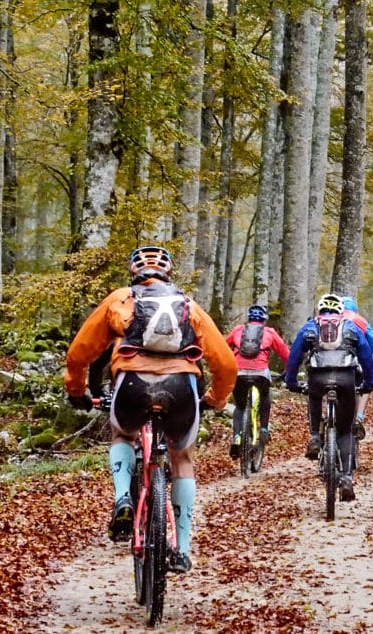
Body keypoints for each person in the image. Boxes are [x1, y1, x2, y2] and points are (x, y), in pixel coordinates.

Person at [64, 245, 237, 573]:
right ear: (168, 273)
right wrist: (216, 398)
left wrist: (77, 391)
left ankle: (122, 499)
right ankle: (182, 548)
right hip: (181, 389)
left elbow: (79, 353)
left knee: (123, 435)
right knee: (182, 458)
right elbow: (226, 363)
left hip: (132, 385)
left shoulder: (121, 299)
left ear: (134, 272)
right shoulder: (189, 305)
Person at [283, 293, 373, 501]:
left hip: (318, 378)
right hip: (346, 380)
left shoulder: (310, 327)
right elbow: (366, 357)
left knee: (314, 397)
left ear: (320, 310)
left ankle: (315, 436)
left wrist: (291, 381)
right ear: (340, 311)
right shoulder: (351, 328)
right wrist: (369, 382)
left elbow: (294, 356)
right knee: (345, 430)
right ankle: (346, 478)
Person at [224, 304, 291, 458]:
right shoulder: (269, 332)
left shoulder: (238, 330)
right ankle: (264, 429)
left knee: (240, 406)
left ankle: (236, 437)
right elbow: (286, 354)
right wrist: (288, 371)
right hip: (260, 373)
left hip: (239, 372)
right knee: (266, 396)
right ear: (265, 319)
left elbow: (223, 347)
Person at [339, 296, 373, 441]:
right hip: (355, 364)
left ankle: (325, 416)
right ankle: (359, 417)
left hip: (327, 365)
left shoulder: (328, 319)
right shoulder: (359, 320)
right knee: (365, 387)